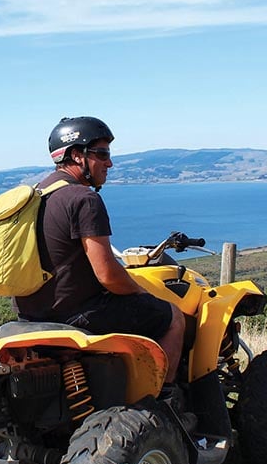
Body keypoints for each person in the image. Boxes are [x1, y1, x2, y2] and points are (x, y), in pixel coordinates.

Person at [13, 116, 189, 383]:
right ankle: (160, 400)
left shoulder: (35, 195)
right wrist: (142, 291)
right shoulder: (84, 199)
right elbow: (108, 274)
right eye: (102, 154)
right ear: (76, 155)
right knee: (173, 316)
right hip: (75, 315)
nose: (109, 163)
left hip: (30, 314)